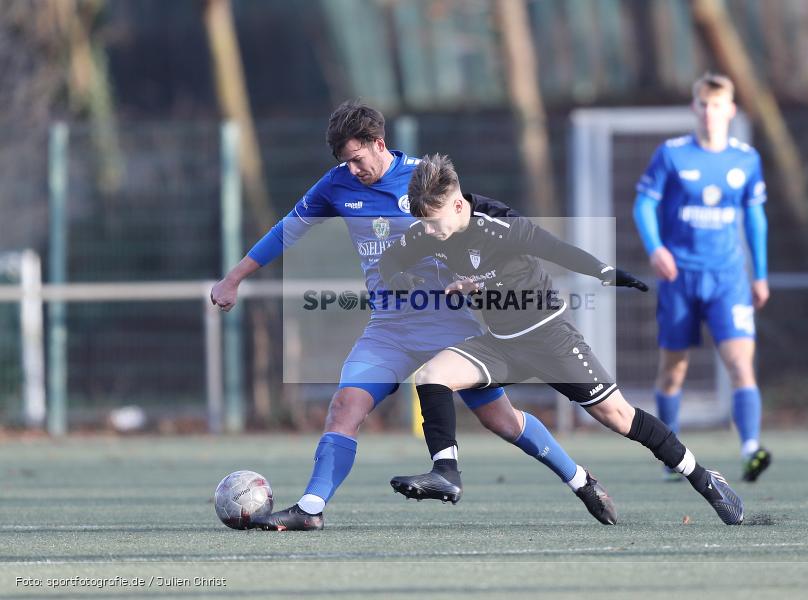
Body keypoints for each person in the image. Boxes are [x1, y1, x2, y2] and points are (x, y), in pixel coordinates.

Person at [210, 101, 617, 531]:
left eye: (356, 159)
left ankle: (581, 480)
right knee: (345, 407)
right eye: (344, 163)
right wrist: (234, 278)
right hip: (388, 330)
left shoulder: (426, 179)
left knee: (501, 420)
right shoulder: (334, 187)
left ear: (379, 144)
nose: (351, 170)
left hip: (451, 326)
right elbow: (284, 233)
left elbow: (478, 224)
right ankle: (311, 509)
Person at [381, 153, 745, 526]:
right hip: (501, 343)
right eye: (421, 222)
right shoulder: (430, 228)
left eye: (431, 221)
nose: (426, 230)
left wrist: (606, 273)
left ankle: (703, 478)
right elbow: (390, 260)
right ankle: (446, 473)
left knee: (619, 417)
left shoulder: (500, 225)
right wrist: (400, 280)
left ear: (458, 204)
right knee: (430, 376)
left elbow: (555, 249)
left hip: (550, 339)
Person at [632, 73, 772, 482]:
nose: (711, 113)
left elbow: (755, 219)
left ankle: (751, 449)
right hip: (681, 278)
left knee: (740, 365)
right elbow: (643, 205)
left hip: (728, 278)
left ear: (730, 110)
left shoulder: (746, 160)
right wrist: (656, 248)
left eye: (718, 106)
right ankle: (670, 454)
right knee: (673, 369)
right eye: (704, 105)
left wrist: (759, 275)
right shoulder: (672, 155)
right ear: (696, 108)